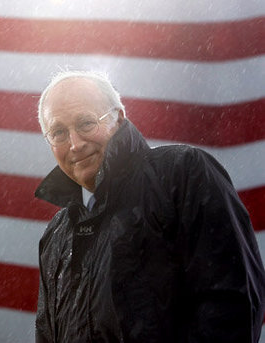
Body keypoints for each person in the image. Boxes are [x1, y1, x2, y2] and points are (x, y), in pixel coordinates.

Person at [34, 71, 265, 343]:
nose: (74, 144)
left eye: (86, 123)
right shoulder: (57, 235)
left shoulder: (182, 174)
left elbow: (231, 303)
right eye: (59, 132)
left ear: (118, 118)